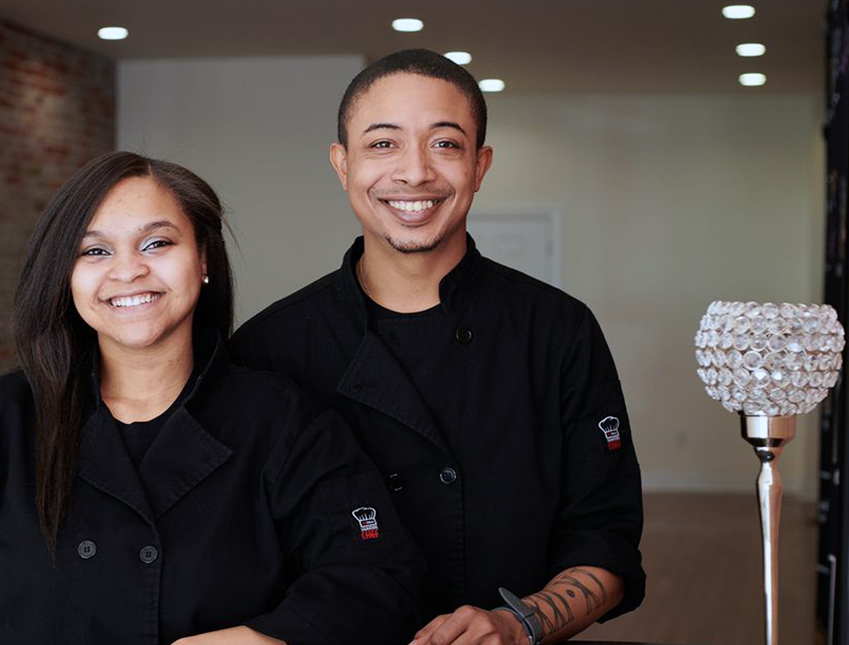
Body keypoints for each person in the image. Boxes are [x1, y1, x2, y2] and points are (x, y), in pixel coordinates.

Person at [0, 151, 424, 645]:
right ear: (65, 274)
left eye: (157, 243)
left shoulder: (281, 420)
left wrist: (266, 638)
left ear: (203, 259)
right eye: (94, 251)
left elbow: (375, 576)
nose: (128, 270)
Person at [230, 49, 645, 645]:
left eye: (445, 144)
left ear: (480, 165)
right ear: (341, 164)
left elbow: (605, 538)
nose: (415, 172)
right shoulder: (270, 347)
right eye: (382, 144)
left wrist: (519, 622)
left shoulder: (558, 330)